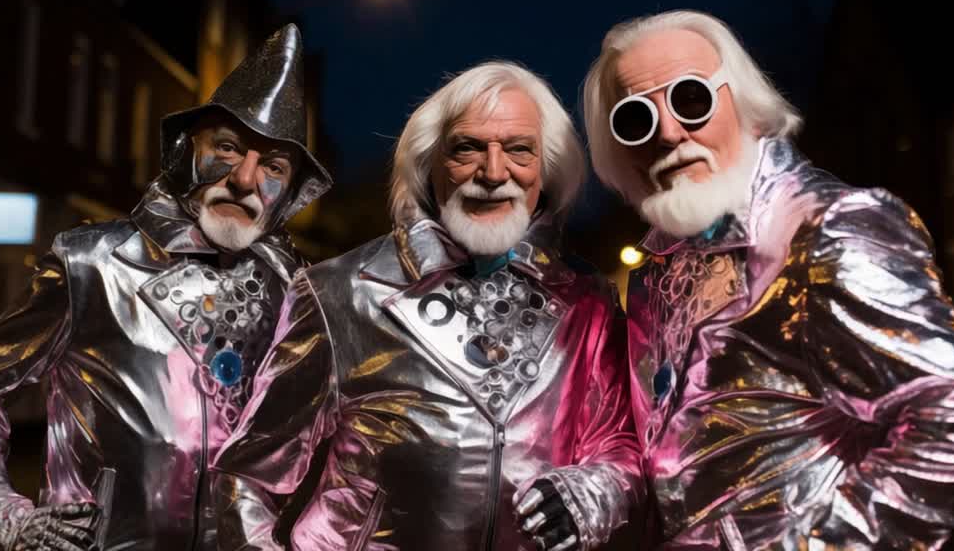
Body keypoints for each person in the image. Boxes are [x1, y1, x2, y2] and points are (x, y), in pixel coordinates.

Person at [581, 10, 954, 549]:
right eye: (635, 119)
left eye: (690, 99)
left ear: (742, 101)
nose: (669, 134)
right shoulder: (660, 265)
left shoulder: (826, 229)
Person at [212, 61, 643, 550]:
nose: (494, 172)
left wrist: (596, 491)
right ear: (429, 163)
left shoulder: (588, 301)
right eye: (467, 149)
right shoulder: (340, 291)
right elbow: (246, 477)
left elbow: (618, 444)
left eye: (519, 150)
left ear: (546, 169)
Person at [0, 25, 331, 551]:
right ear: (185, 150)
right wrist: (1, 513)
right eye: (228, 148)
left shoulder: (298, 295)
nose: (244, 179)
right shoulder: (91, 263)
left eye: (273, 167)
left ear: (290, 193)